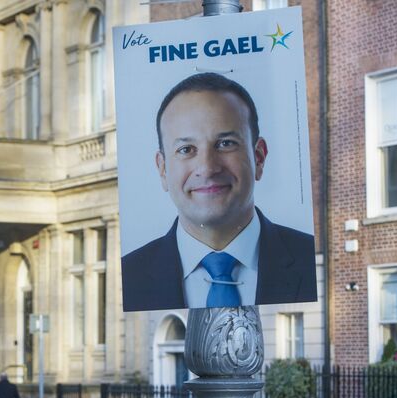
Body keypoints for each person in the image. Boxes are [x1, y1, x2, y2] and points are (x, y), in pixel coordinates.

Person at [121, 72, 316, 311]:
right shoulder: (130, 275)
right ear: (162, 169)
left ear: (259, 157)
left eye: (225, 144)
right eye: (186, 149)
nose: (207, 168)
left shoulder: (310, 260)